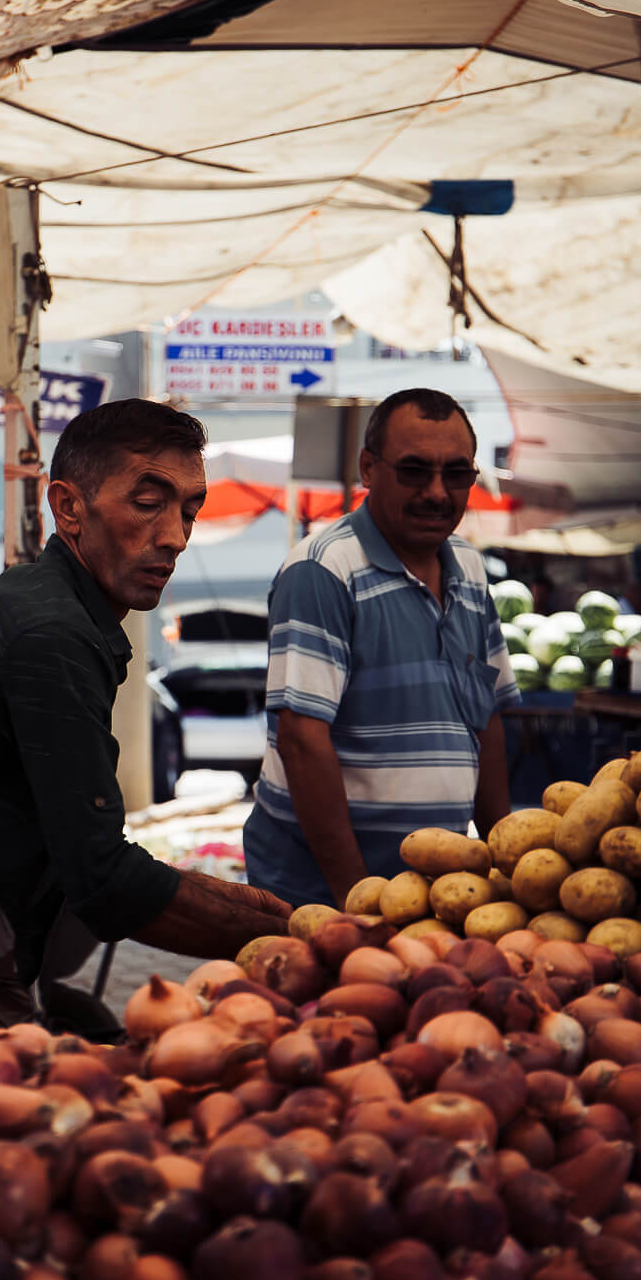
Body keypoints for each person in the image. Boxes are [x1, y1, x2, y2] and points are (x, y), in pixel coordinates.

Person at [0, 399, 291, 1016]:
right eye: (148, 504)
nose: (175, 536)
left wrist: (243, 904)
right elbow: (104, 882)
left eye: (189, 511)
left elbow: (91, 855)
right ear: (68, 507)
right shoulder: (49, 632)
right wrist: (297, 940)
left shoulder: (49, 608)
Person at [244, 387, 520, 911]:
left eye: (457, 473)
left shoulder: (472, 570)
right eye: (415, 471)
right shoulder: (323, 571)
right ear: (369, 468)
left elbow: (488, 723)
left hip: (432, 888)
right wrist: (358, 902)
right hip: (322, 892)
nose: (438, 492)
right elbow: (302, 741)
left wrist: (505, 869)